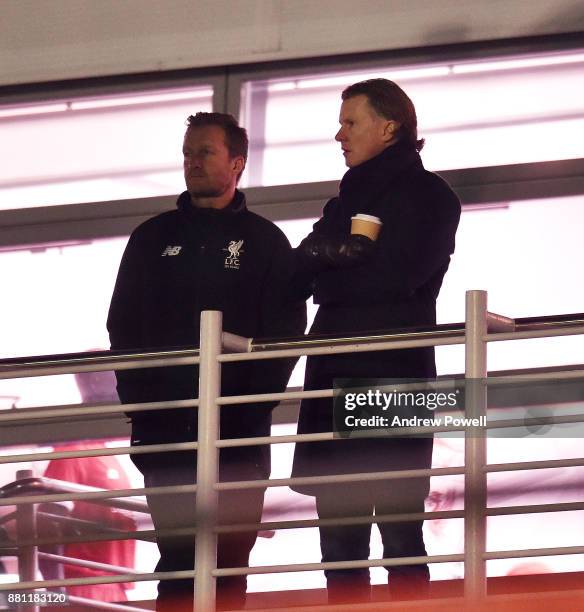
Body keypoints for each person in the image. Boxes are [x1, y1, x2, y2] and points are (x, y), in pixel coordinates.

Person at [107, 112, 306, 611]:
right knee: (176, 560)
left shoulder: (264, 242)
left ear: (236, 162)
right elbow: (123, 327)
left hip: (239, 437)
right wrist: (142, 407)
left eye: (205, 152)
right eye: (187, 153)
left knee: (230, 565)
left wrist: (248, 407)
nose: (192, 163)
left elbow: (284, 336)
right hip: (167, 431)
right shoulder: (150, 239)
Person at [290, 79, 461, 603]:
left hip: (394, 373)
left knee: (399, 535)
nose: (338, 133)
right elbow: (296, 272)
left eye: (350, 121)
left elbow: (396, 278)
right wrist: (338, 259)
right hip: (340, 372)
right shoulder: (345, 200)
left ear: (388, 128)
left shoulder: (430, 196)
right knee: (338, 544)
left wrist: (330, 264)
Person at [41, 371, 135, 603]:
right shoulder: (73, 452)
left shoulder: (107, 453)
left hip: (113, 588)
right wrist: (58, 595)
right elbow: (46, 524)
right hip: (85, 589)